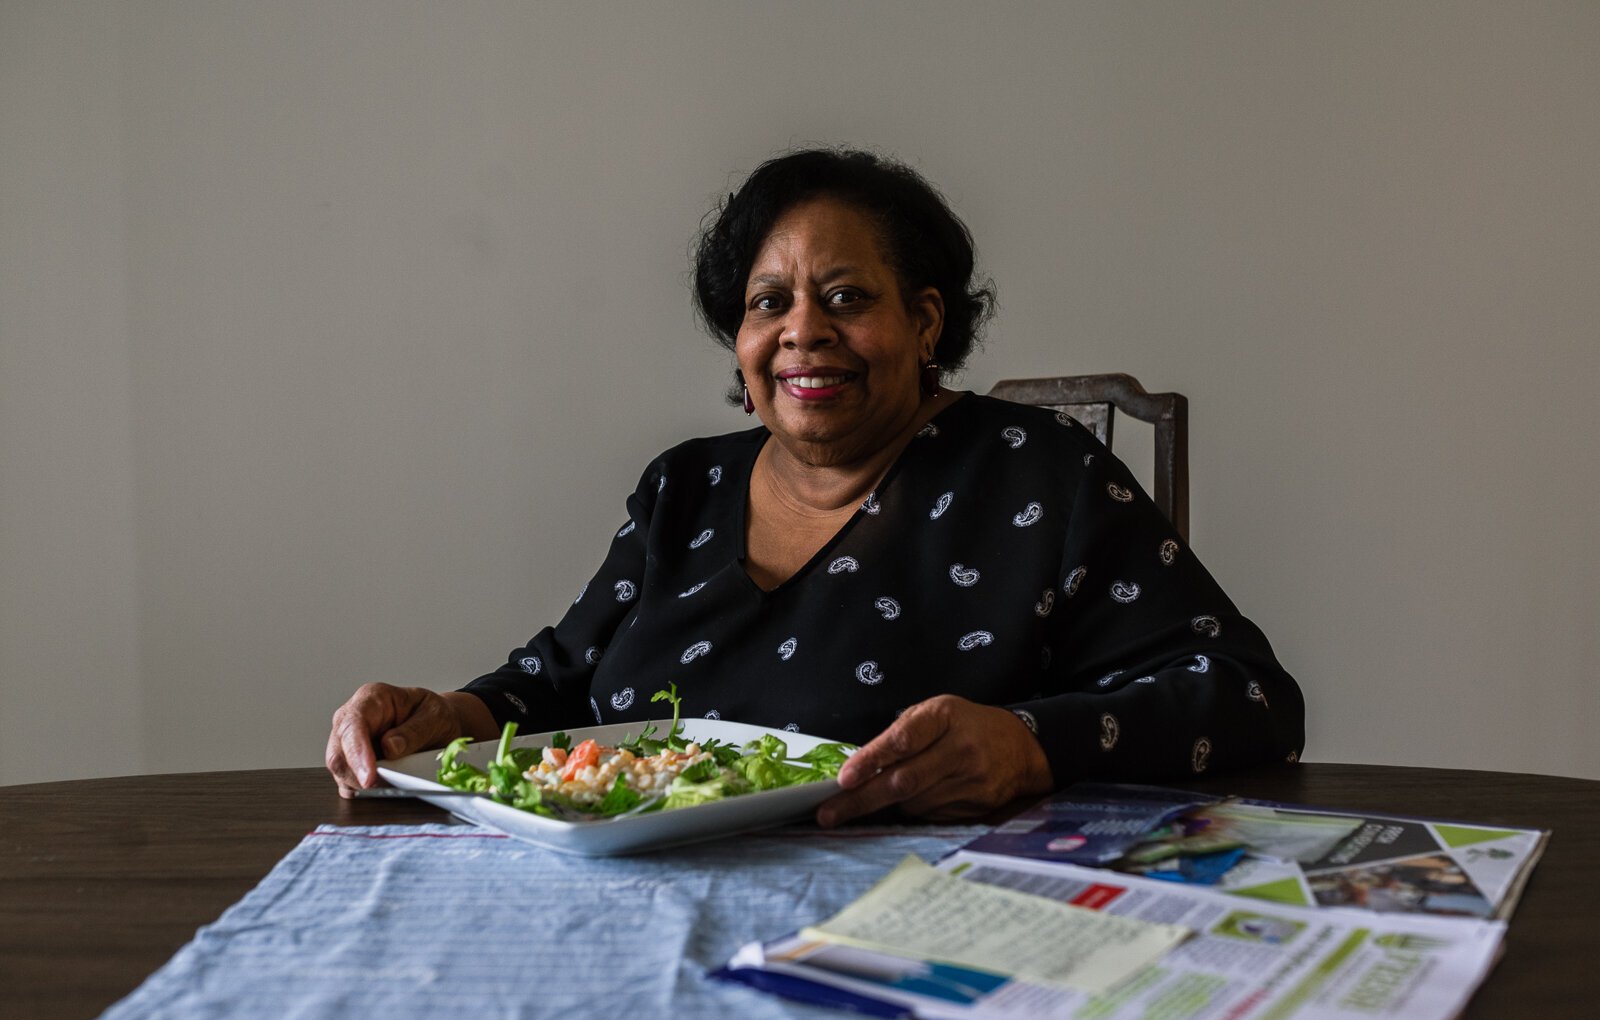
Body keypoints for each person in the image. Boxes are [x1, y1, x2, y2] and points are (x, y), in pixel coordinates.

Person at [326, 148, 1304, 825]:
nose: (803, 330)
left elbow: (1249, 696)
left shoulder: (1035, 471)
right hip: (642, 926)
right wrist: (446, 713)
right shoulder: (684, 486)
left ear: (925, 321)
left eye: (845, 296)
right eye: (768, 302)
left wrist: (1026, 741)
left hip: (919, 934)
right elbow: (561, 683)